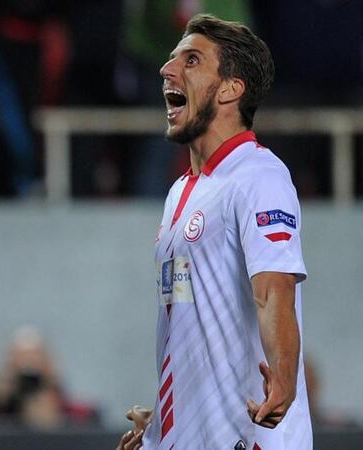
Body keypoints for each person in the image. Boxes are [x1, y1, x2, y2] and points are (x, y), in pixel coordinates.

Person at [116, 14, 311, 450]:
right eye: (170, 60)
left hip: (249, 436)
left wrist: (282, 376)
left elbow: (274, 290)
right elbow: (192, 324)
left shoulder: (260, 176)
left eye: (191, 61)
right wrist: (167, 425)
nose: (167, 70)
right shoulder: (180, 194)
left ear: (230, 88)